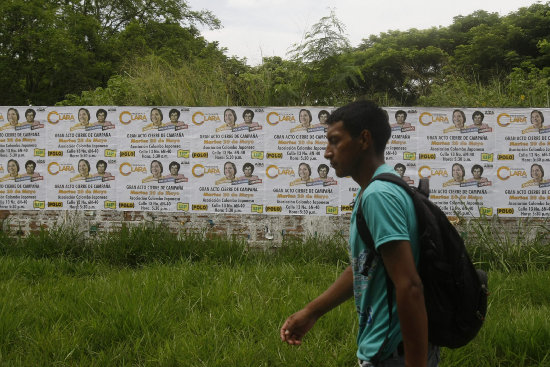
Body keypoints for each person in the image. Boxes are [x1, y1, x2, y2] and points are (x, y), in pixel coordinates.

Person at [281, 100, 436, 366]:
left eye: (335, 141)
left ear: (364, 139)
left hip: (393, 355)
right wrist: (312, 312)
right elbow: (366, 265)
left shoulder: (379, 195)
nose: (327, 153)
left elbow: (409, 286)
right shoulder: (381, 188)